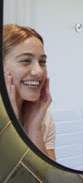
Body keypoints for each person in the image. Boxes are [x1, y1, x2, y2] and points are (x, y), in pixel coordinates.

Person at [3, 24, 56, 160]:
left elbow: (47, 178)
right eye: (26, 61)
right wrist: (10, 123)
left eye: (42, 62)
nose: (38, 71)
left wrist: (34, 129)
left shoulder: (43, 118)